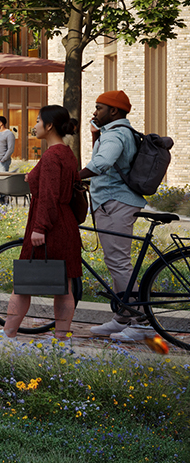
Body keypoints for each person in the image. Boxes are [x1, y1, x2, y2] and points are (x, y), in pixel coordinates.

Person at [0, 105, 82, 342]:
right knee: (65, 283)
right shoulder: (67, 153)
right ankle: (62, 336)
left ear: (49, 125)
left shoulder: (51, 156)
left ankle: (7, 332)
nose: (35, 125)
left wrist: (40, 228)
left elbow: (49, 195)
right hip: (66, 223)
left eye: (38, 121)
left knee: (23, 283)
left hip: (49, 226)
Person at [80, 91, 156, 343]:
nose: (94, 112)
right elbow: (106, 164)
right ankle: (123, 315)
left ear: (113, 111)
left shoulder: (115, 134)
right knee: (115, 261)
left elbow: (101, 163)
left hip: (116, 203)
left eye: (98, 108)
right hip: (113, 201)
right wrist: (94, 137)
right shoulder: (117, 133)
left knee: (119, 262)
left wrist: (71, 177)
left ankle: (142, 322)